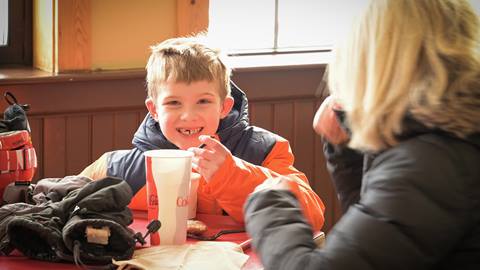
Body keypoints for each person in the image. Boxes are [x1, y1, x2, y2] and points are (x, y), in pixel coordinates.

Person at [244, 0, 480, 269]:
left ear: (377, 61)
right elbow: (382, 244)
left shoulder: (431, 163)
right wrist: (347, 148)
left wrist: (271, 205)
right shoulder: (447, 137)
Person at [79, 36, 325, 229]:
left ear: (224, 107)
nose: (188, 116)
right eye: (174, 103)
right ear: (153, 110)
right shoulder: (119, 168)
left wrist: (230, 173)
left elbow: (311, 216)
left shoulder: (264, 151)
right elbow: (64, 201)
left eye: (203, 102)